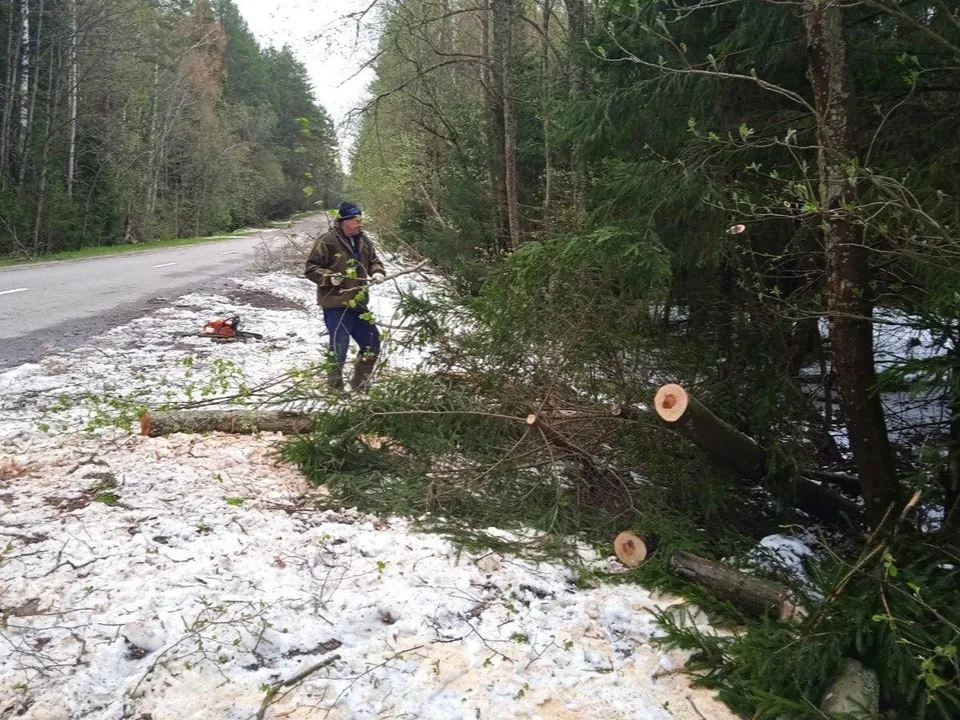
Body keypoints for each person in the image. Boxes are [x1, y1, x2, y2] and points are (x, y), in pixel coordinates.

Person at [305, 202, 386, 392]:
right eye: (356, 220)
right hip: (336, 304)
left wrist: (377, 272)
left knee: (372, 343)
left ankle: (360, 383)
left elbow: (375, 261)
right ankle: (335, 389)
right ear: (344, 222)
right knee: (339, 347)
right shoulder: (327, 241)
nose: (360, 224)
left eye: (360, 219)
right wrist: (329, 278)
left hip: (358, 303)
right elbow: (310, 269)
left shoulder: (364, 240)